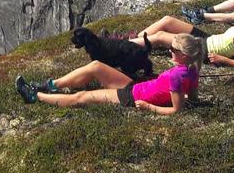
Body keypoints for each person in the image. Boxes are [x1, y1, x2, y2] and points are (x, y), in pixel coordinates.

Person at [15, 34, 204, 116]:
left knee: (81, 98)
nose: (169, 50)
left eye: (173, 49)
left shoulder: (178, 76)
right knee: (96, 66)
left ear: (184, 56)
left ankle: (35, 95)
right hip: (136, 87)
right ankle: (50, 85)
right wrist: (174, 93)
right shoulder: (192, 70)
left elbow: (176, 111)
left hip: (131, 96)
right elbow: (192, 98)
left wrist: (149, 107)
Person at [130, 0, 234, 67]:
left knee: (160, 37)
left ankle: (124, 45)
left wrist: (223, 60)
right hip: (208, 39)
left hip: (203, 49)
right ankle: (137, 39)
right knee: (168, 20)